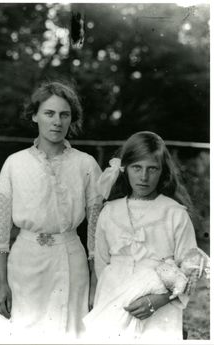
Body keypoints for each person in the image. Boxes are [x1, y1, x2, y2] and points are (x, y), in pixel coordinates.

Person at [0, 81, 103, 341]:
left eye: (64, 114)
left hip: (71, 261)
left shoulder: (86, 165)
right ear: (35, 115)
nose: (57, 122)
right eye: (49, 113)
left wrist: (96, 283)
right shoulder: (15, 163)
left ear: (72, 119)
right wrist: (2, 284)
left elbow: (97, 232)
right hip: (25, 264)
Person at [84, 131, 200, 341]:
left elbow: (189, 270)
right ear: (124, 169)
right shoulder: (109, 212)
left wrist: (158, 300)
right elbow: (101, 264)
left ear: (162, 171)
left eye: (152, 169)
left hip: (159, 305)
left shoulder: (174, 213)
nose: (144, 177)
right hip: (114, 297)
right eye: (136, 167)